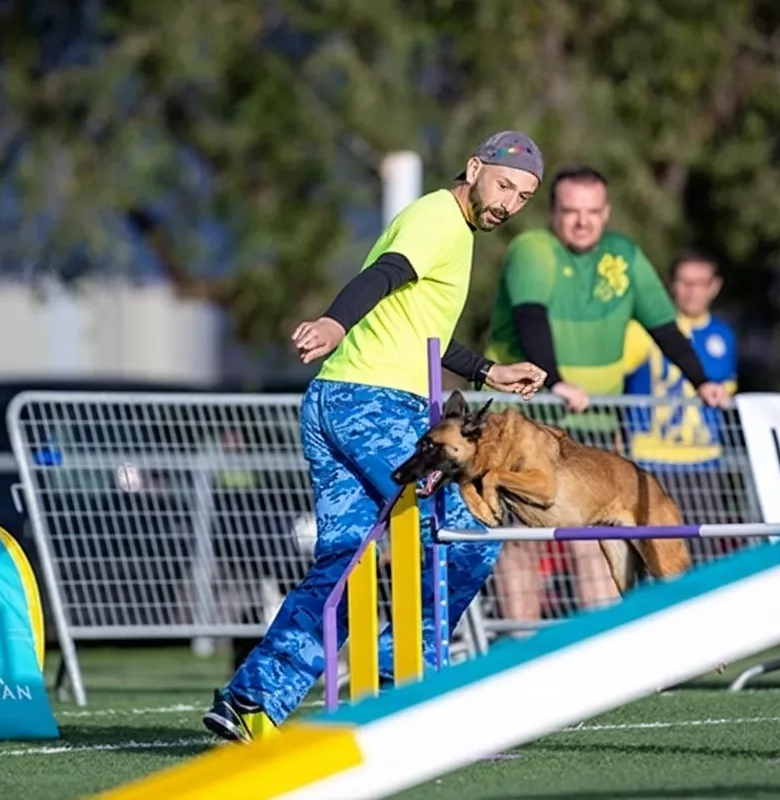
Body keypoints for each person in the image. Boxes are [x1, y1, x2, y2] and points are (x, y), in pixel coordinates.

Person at [202, 131, 549, 743]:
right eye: (503, 186)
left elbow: (419, 330)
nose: (509, 204)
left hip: (335, 401)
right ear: (474, 167)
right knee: (465, 532)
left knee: (345, 564)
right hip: (375, 405)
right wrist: (336, 320)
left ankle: (252, 703)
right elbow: (386, 276)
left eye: (522, 197)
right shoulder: (439, 218)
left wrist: (489, 372)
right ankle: (403, 685)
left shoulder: (451, 229)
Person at [483, 165, 733, 618]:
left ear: (607, 212)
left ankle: (600, 656)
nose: (582, 221)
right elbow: (531, 320)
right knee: (520, 539)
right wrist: (554, 380)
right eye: (571, 211)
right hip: (523, 419)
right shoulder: (532, 250)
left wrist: (703, 382)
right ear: (554, 213)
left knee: (595, 536)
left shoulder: (623, 256)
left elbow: (664, 327)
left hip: (592, 426)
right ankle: (522, 656)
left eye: (593, 211)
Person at [622, 249, 742, 534]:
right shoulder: (644, 330)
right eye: (684, 282)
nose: (691, 292)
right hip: (650, 460)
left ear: (714, 286)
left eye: (699, 283)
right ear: (671, 284)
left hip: (703, 462)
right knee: (655, 549)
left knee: (704, 552)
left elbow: (727, 388)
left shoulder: (723, 335)